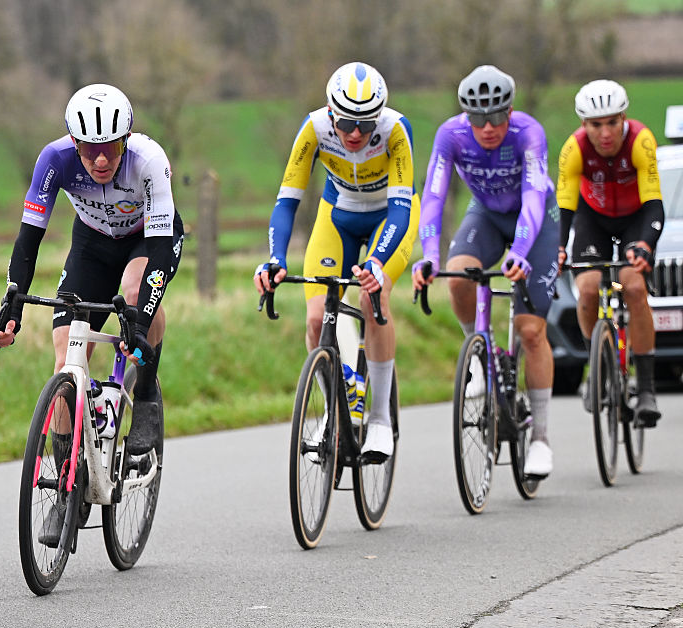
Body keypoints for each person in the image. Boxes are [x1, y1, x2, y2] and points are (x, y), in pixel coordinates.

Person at [0, 84, 183, 544]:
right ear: (74, 143)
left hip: (146, 241)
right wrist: (13, 298)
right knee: (64, 360)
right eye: (90, 150)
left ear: (126, 139)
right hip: (92, 245)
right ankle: (66, 490)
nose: (100, 160)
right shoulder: (53, 160)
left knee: (136, 294)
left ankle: (146, 388)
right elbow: (29, 238)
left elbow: (156, 255)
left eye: (110, 148)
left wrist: (139, 315)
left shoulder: (149, 161)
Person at [253, 61, 418, 460]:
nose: (356, 134)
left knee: (370, 299)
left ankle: (378, 418)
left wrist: (377, 262)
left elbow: (399, 209)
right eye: (346, 124)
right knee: (315, 318)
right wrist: (275, 258)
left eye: (366, 124)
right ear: (331, 113)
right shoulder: (313, 128)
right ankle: (334, 411)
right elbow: (287, 200)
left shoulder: (396, 129)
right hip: (338, 214)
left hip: (389, 217)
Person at [411, 65, 559, 478]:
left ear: (509, 111)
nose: (488, 126)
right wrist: (429, 255)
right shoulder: (450, 135)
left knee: (531, 331)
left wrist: (522, 252)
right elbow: (435, 196)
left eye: (496, 116)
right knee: (458, 276)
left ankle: (542, 438)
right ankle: (478, 352)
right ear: (466, 116)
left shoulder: (528, 132)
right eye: (478, 117)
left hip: (536, 220)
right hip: (487, 216)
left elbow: (532, 195)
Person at [555, 79, 663, 426]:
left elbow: (654, 205)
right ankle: (598, 365)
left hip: (636, 220)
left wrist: (646, 243)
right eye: (595, 125)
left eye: (612, 122)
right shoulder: (574, 148)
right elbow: (565, 206)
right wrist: (558, 247)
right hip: (593, 220)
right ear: (584, 125)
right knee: (586, 291)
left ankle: (645, 387)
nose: (605, 133)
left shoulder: (640, 140)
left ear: (624, 118)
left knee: (633, 288)